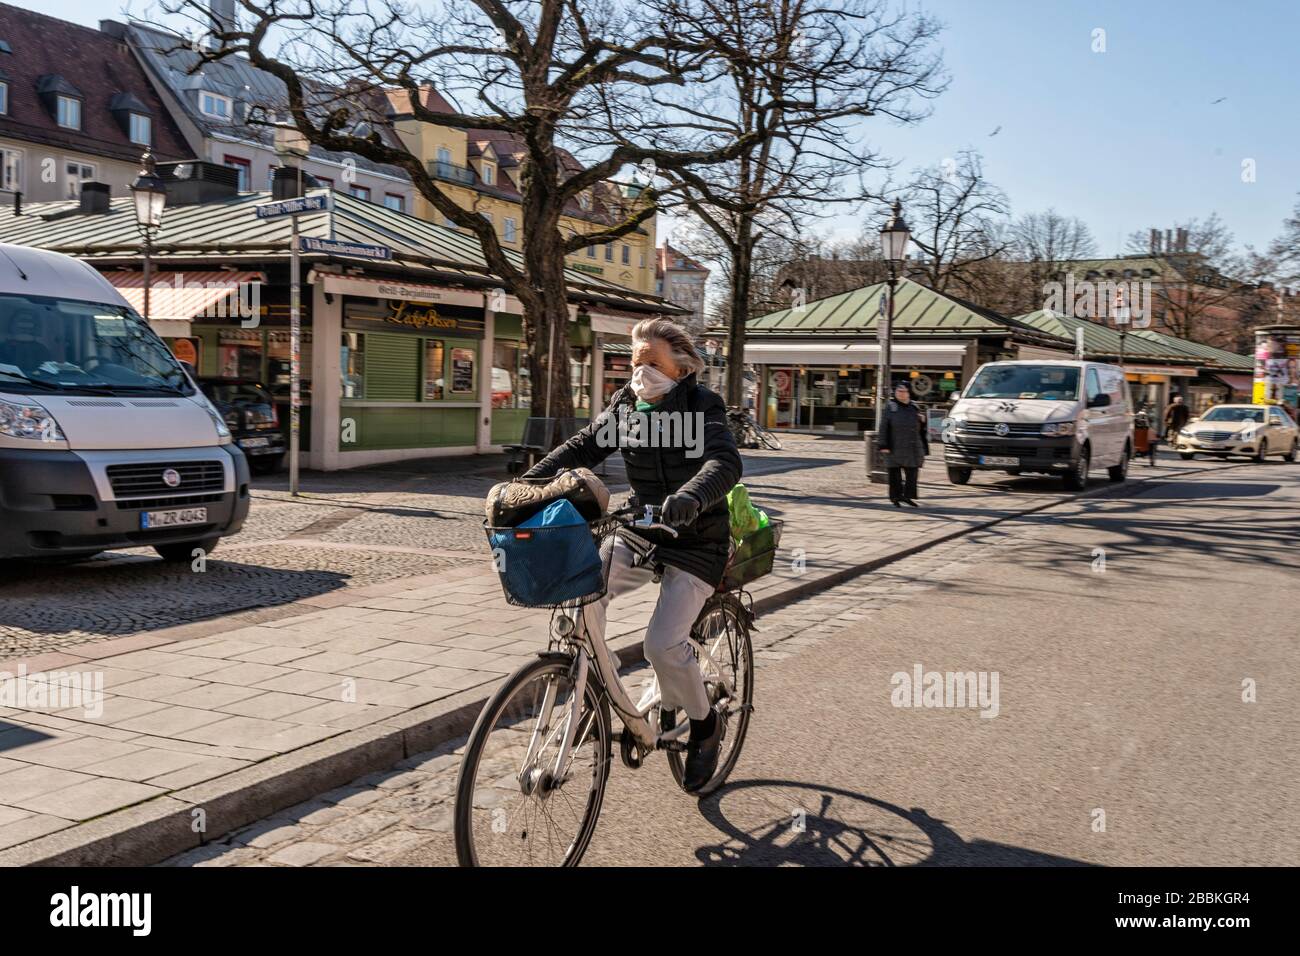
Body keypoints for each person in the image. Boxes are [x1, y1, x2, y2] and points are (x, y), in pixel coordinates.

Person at [522, 318, 742, 792]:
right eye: (635, 363)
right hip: (641, 529)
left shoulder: (705, 405)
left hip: (697, 539)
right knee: (582, 595)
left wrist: (691, 496)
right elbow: (584, 446)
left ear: (681, 370)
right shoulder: (627, 405)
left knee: (661, 645)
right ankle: (596, 692)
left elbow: (724, 461)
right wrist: (528, 485)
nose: (640, 373)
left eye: (652, 364)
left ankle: (706, 726)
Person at [879, 380, 929, 507]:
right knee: (894, 474)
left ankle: (907, 496)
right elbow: (883, 427)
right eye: (898, 391)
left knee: (912, 472)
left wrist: (923, 421)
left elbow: (921, 428)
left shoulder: (914, 407)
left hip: (912, 445)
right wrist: (883, 445)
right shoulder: (891, 407)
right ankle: (895, 497)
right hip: (894, 445)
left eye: (903, 391)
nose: (900, 394)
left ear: (909, 393)